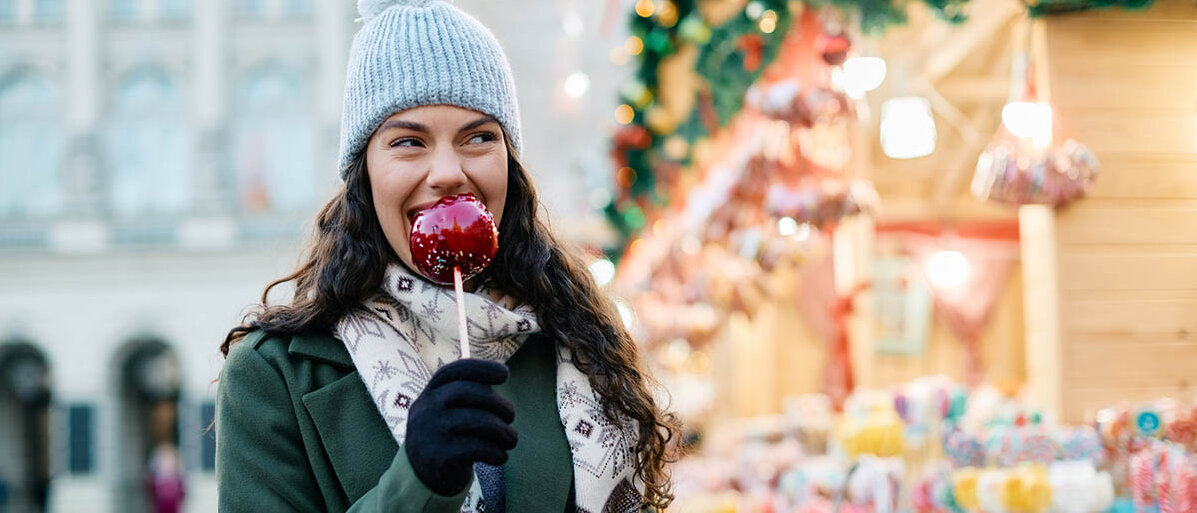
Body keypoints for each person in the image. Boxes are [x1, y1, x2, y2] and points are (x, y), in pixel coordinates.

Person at [214, 1, 678, 512]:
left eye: (478, 137)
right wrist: (417, 480)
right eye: (408, 142)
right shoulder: (272, 373)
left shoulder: (575, 338)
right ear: (364, 174)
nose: (448, 173)